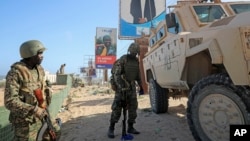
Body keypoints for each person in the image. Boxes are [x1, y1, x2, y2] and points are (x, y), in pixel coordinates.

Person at [4, 40, 52, 141]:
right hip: (23, 122)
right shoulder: (16, 72)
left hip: (40, 117)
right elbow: (10, 101)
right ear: (31, 54)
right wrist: (34, 110)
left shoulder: (40, 69)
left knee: (55, 132)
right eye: (39, 53)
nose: (42, 56)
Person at [107, 43, 144, 138]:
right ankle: (111, 128)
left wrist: (141, 86)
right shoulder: (123, 59)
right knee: (117, 109)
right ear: (129, 51)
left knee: (133, 108)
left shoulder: (136, 61)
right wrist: (121, 86)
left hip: (131, 88)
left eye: (135, 53)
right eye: (133, 52)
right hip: (121, 89)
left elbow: (137, 75)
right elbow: (117, 75)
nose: (134, 54)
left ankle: (130, 127)